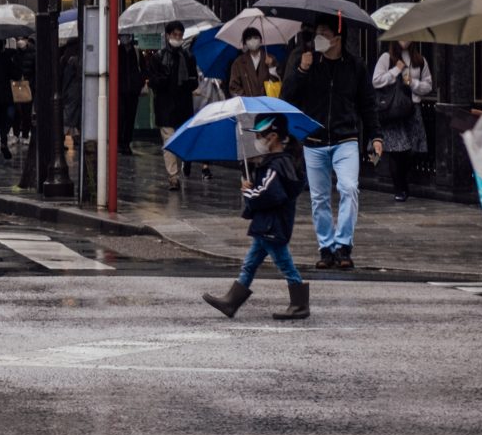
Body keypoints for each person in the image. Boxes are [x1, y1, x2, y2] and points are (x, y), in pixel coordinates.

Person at [282, 24, 372, 269]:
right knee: (319, 198)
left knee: (349, 188)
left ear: (337, 38)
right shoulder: (307, 62)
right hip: (314, 140)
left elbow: (367, 104)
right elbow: (286, 98)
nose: (319, 37)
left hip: (346, 139)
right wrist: (301, 70)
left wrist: (376, 137)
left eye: (325, 33)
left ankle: (344, 245)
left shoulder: (355, 66)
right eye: (317, 33)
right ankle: (326, 248)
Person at [204, 115, 310, 319]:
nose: (258, 141)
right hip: (267, 225)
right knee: (250, 263)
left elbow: (269, 194)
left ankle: (299, 304)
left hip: (272, 225)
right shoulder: (280, 163)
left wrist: (247, 192)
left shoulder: (277, 165)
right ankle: (231, 302)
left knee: (285, 264)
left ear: (273, 137)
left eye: (261, 136)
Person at [370, 41, 435, 202]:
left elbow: (428, 85)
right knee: (396, 150)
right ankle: (400, 188)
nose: (404, 40)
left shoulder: (419, 60)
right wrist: (395, 70)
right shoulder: (387, 58)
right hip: (393, 110)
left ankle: (403, 183)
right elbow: (376, 80)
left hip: (412, 110)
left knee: (412, 149)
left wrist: (412, 83)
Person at [145, 23, 201, 190]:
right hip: (166, 106)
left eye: (180, 35)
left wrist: (188, 82)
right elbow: (153, 81)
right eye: (174, 34)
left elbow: (194, 81)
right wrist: (165, 78)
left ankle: (184, 162)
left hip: (183, 106)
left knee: (182, 140)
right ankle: (173, 176)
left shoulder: (188, 57)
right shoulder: (158, 57)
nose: (177, 38)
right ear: (168, 35)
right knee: (169, 142)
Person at [224, 27, 277, 98]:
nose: (253, 40)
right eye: (249, 38)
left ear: (261, 40)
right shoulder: (238, 63)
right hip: (248, 105)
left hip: (267, 103)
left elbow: (277, 83)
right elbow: (234, 87)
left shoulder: (271, 58)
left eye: (255, 37)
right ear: (245, 43)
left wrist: (271, 67)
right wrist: (247, 99)